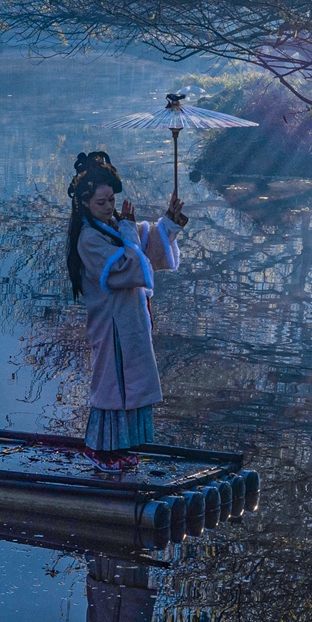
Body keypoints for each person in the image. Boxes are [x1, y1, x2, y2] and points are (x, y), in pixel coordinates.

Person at [65, 149, 187, 473]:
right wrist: (129, 229)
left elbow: (146, 250)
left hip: (128, 320)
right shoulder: (89, 239)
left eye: (111, 200)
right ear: (84, 203)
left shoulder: (113, 225)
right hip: (110, 325)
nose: (109, 207)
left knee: (128, 385)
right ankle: (98, 449)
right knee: (111, 386)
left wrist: (169, 220)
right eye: (101, 202)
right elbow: (128, 268)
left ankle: (119, 447)